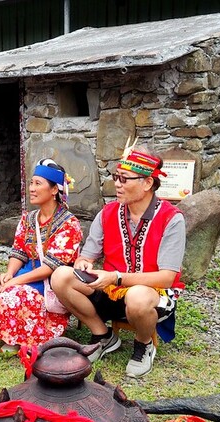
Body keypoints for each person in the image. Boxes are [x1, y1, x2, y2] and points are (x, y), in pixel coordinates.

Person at [50, 144, 185, 378]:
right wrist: (84, 263)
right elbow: (88, 254)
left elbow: (166, 278)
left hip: (151, 295)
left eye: (125, 179)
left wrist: (118, 277)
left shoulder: (171, 219)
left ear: (147, 183)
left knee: (137, 296)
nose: (118, 184)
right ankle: (103, 335)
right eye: (116, 177)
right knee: (61, 276)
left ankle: (143, 344)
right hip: (111, 289)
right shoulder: (108, 213)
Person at [0, 159, 83, 350]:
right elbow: (19, 251)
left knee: (18, 293)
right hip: (27, 270)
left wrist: (16, 281)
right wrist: (9, 274)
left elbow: (51, 267)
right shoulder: (28, 219)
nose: (31, 188)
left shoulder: (69, 224)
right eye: (31, 183)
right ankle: (10, 333)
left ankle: (30, 336)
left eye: (38, 184)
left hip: (50, 280)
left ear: (54, 190)